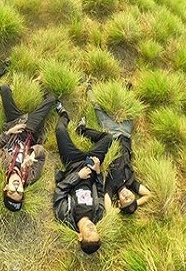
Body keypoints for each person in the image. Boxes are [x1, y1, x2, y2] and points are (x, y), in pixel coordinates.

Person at [80, 85, 151, 214]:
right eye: (130, 196)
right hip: (126, 134)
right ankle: (128, 89)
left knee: (98, 109)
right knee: (131, 108)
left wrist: (118, 210)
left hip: (112, 134)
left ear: (118, 202)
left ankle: (88, 87)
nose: (126, 195)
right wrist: (133, 203)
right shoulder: (131, 182)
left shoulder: (111, 186)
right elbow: (148, 195)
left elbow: (108, 208)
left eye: (124, 199)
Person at [53, 102, 112, 255]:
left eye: (89, 233)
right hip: (90, 165)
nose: (93, 228)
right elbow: (99, 191)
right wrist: (98, 172)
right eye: (95, 231)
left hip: (72, 164)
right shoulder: (98, 214)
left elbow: (59, 191)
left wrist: (77, 176)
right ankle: (82, 130)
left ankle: (64, 115)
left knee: (60, 131)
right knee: (108, 138)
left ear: (80, 237)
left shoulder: (65, 217)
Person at [0, 85, 56, 212]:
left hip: (14, 125)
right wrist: (32, 154)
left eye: (11, 192)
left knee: (4, 89)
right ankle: (41, 98)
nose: (16, 188)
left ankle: (31, 90)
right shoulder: (31, 176)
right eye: (19, 193)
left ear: (5, 188)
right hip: (31, 132)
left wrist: (9, 132)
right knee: (52, 99)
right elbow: (42, 154)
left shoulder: (2, 165)